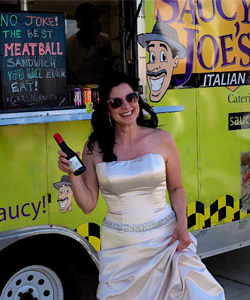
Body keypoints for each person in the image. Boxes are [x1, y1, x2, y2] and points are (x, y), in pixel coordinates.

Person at [58, 72, 225, 299]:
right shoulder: (94, 147)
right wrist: (73, 174)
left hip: (166, 239)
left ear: (138, 99)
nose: (126, 106)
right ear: (107, 108)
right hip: (121, 250)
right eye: (116, 102)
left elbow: (176, 188)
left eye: (131, 98)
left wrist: (183, 225)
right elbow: (88, 205)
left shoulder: (162, 139)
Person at [67, 3, 114, 85]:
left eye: (97, 18)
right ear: (81, 24)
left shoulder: (105, 40)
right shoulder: (68, 46)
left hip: (102, 90)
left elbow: (109, 67)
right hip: (78, 92)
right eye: (92, 19)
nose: (97, 22)